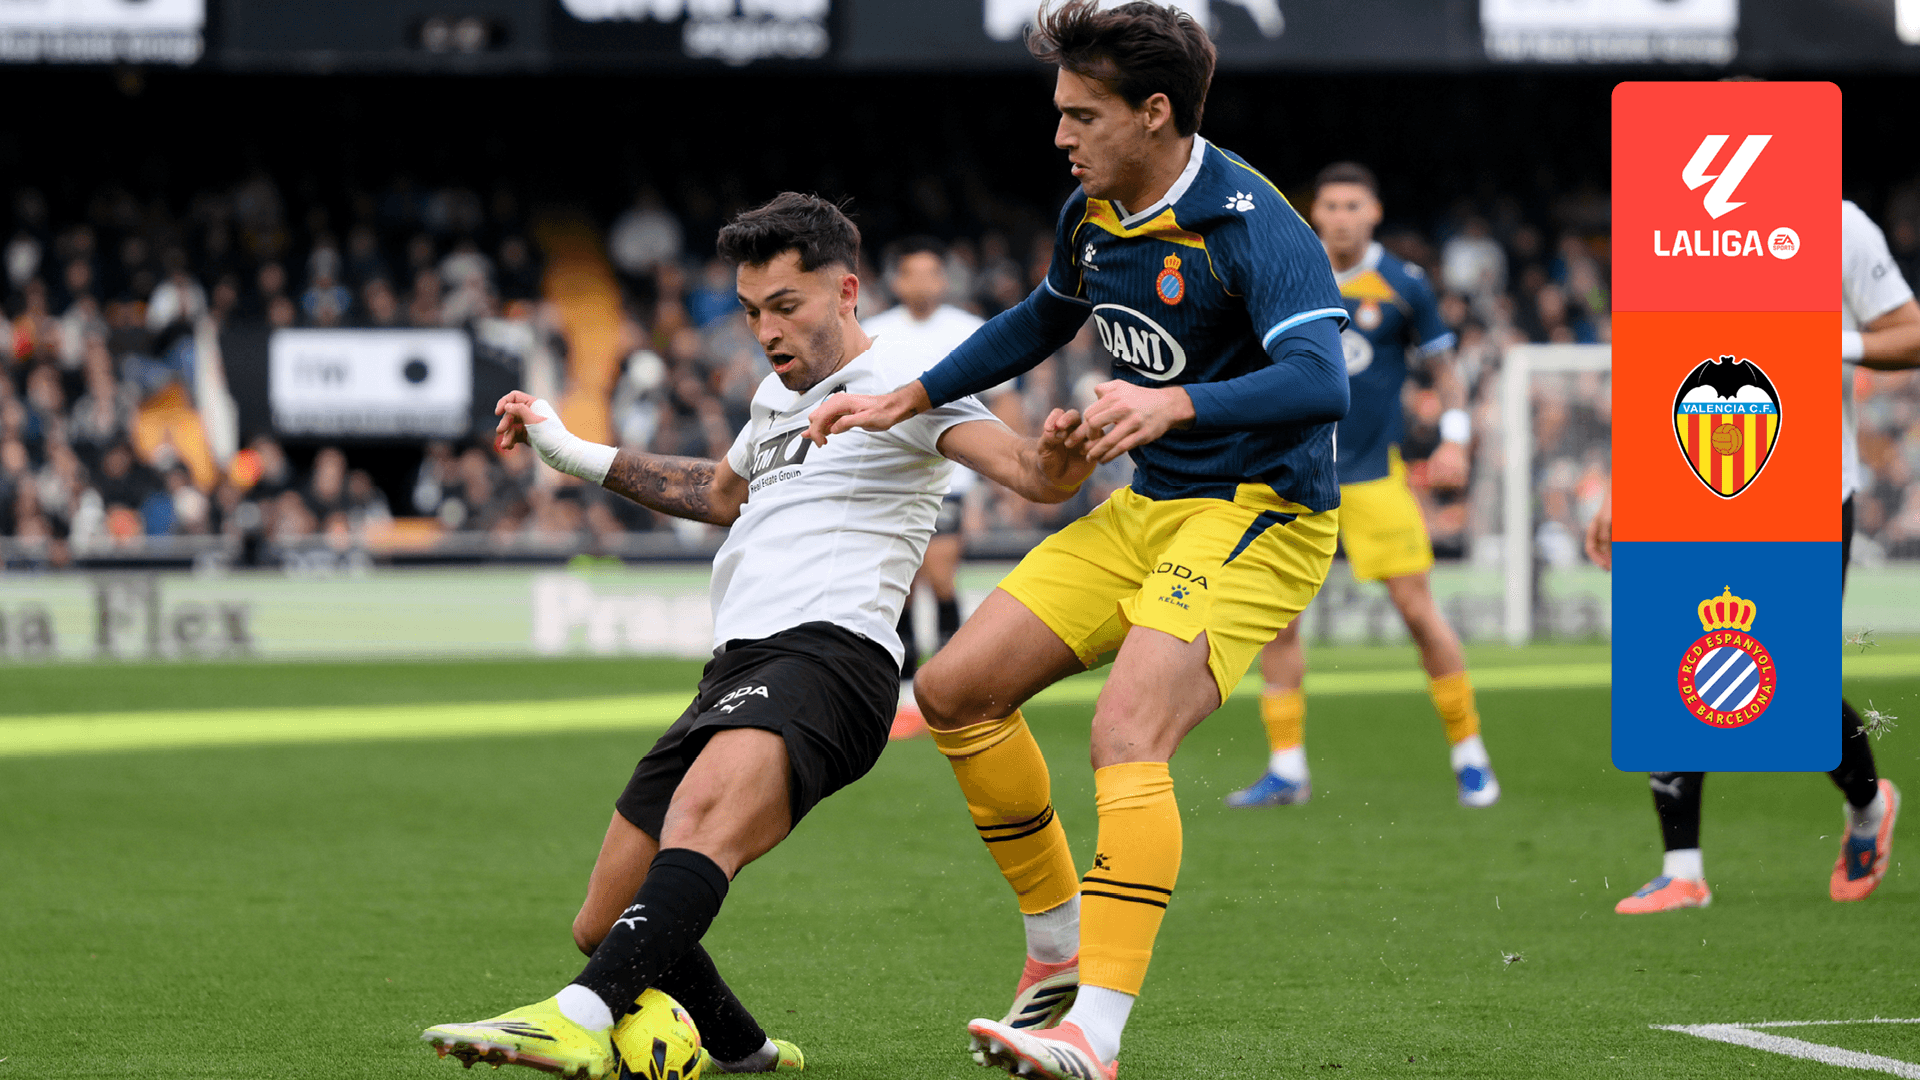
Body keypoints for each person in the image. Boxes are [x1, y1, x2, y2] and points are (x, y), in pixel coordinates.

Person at [422, 193, 1097, 1079]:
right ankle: (747, 1053)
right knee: (606, 917)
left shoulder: (909, 380)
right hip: (738, 667)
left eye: (786, 305)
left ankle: (577, 1016)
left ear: (846, 290)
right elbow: (717, 493)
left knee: (699, 824)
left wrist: (1062, 451)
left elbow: (1031, 474)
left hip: (832, 658)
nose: (767, 331)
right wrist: (570, 450)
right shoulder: (773, 398)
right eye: (750, 312)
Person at [807, 4, 1349, 1076]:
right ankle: (1055, 946)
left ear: (1155, 113)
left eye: (1081, 115)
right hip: (1151, 507)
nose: (1060, 135)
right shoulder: (1093, 211)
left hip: (1262, 513)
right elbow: (1042, 318)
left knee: (1126, 732)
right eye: (1060, 112)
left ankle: (1093, 1034)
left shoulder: (1253, 223)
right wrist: (908, 394)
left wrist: (1173, 404)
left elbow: (1322, 380)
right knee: (955, 691)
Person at [1594, 198, 1916, 914]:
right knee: (1673, 658)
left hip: (1807, 487)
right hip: (1691, 476)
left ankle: (1869, 807)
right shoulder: (1676, 221)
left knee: (1790, 683)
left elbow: (1911, 334)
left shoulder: (1836, 222)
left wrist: (1827, 341)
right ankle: (1682, 870)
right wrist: (1623, 482)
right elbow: (1657, 359)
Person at [1226, 162, 1498, 809]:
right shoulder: (1285, 271)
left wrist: (1455, 438)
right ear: (1314, 213)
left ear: (1374, 213)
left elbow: (1445, 371)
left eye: (1354, 206)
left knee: (1418, 612)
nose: (1342, 217)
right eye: (1331, 206)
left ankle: (1470, 754)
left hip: (1375, 475)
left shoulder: (1405, 283)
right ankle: (1287, 769)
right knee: (1279, 623)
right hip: (1293, 478)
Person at [862, 236, 988, 738]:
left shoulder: (968, 329)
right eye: (912, 273)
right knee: (904, 583)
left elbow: (1000, 399)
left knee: (940, 576)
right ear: (897, 281)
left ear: (943, 279)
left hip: (954, 475)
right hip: (893, 476)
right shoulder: (874, 332)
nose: (923, 283)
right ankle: (906, 689)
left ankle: (954, 679)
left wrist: (988, 486)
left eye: (932, 273)